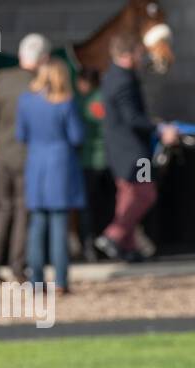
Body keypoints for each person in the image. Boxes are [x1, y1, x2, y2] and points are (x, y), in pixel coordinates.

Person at [96, 32, 179, 262]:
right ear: (128, 54)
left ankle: (129, 248)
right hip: (132, 152)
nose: (142, 58)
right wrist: (161, 128)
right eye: (139, 53)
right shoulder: (124, 80)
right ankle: (113, 235)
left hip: (119, 150)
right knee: (144, 193)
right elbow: (133, 118)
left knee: (127, 196)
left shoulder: (112, 76)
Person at [0, 33, 48, 283]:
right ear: (43, 58)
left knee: (3, 208)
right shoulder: (40, 84)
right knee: (23, 210)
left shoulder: (0, 79)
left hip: (2, 154)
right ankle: (18, 267)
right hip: (29, 156)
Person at [17, 57, 86, 293]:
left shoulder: (26, 101)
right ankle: (60, 281)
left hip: (36, 163)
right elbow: (77, 136)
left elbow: (21, 135)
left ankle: (36, 281)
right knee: (59, 224)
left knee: (37, 224)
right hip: (60, 163)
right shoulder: (66, 103)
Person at [73, 68, 111, 262]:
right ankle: (103, 244)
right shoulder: (104, 98)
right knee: (104, 205)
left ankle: (88, 246)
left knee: (87, 207)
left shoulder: (85, 100)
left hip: (88, 160)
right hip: (106, 160)